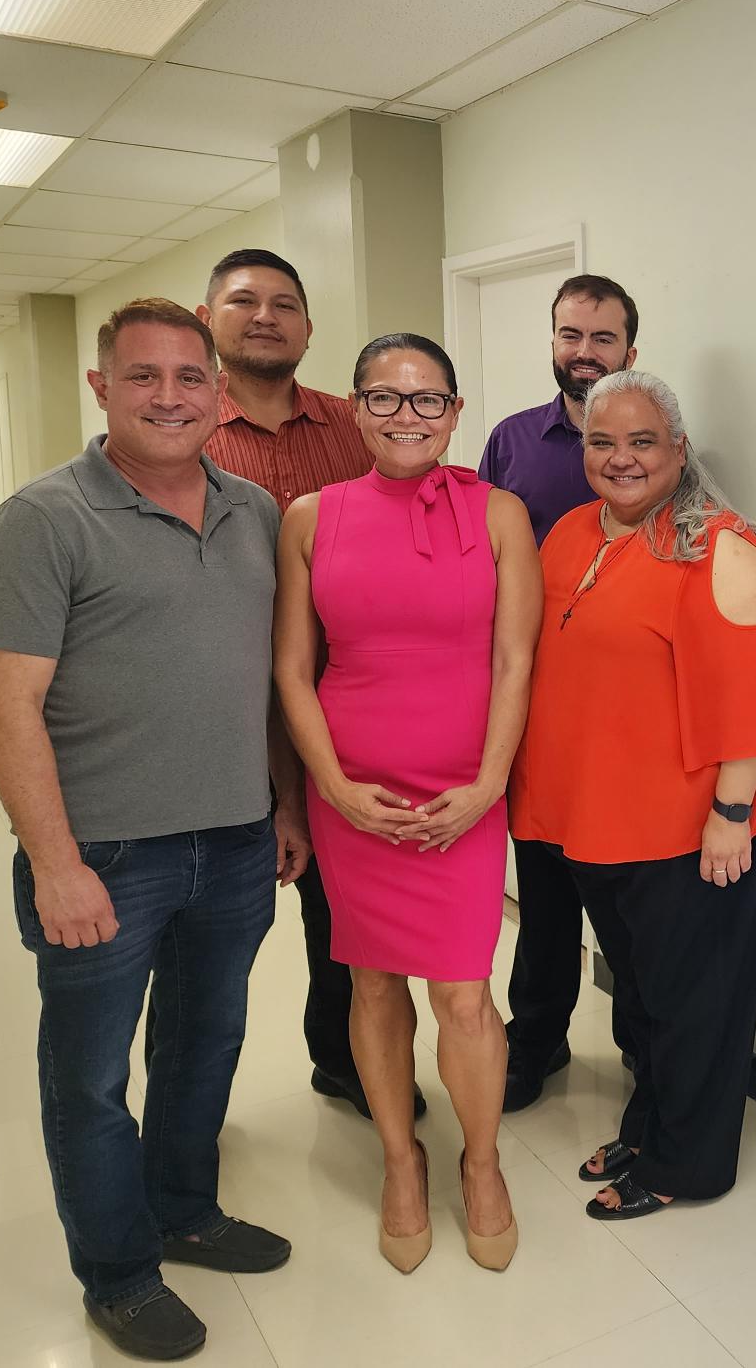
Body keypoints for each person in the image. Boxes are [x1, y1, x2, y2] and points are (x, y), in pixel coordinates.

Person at [0, 299, 298, 1360]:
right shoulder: (42, 519)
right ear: (102, 387)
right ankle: (115, 1268)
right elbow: (4, 710)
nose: (169, 395)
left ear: (220, 394)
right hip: (104, 857)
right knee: (92, 1079)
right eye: (142, 375)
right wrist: (54, 866)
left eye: (189, 377)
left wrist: (282, 802)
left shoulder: (255, 511)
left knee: (206, 1045)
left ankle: (185, 1208)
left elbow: (269, 682)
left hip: (237, 843)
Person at [273, 333, 542, 1271]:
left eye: (427, 399)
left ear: (457, 412)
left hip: (467, 794)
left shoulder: (500, 513)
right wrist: (334, 789)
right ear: (354, 410)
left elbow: (516, 661)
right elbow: (292, 670)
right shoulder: (311, 516)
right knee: (373, 980)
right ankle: (399, 1158)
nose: (406, 416)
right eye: (384, 398)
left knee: (465, 993)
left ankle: (480, 1162)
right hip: (357, 794)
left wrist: (490, 785)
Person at [508, 369, 756, 1220]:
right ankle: (648, 1126)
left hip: (693, 830)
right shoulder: (568, 532)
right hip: (600, 826)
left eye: (643, 441)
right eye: (603, 441)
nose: (621, 458)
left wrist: (731, 816)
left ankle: (689, 1164)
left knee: (694, 1006)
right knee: (639, 1000)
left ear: (679, 448)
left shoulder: (720, 545)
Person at [197, 248, 426, 1123]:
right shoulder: (187, 427)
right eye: (244, 301)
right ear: (209, 315)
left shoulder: (353, 422)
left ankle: (345, 1062)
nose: (265, 317)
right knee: (217, 936)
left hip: (346, 707)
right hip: (225, 708)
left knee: (345, 914)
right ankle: (191, 1125)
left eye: (284, 303)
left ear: (308, 327)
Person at [478, 273, 640, 1111]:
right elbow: (475, 563)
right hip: (531, 704)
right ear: (552, 342)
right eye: (570, 336)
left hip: (622, 715)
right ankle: (535, 1040)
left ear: (629, 351)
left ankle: (643, 1049)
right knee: (541, 896)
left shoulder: (653, 441)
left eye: (601, 338)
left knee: (625, 894)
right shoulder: (510, 443)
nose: (584, 354)